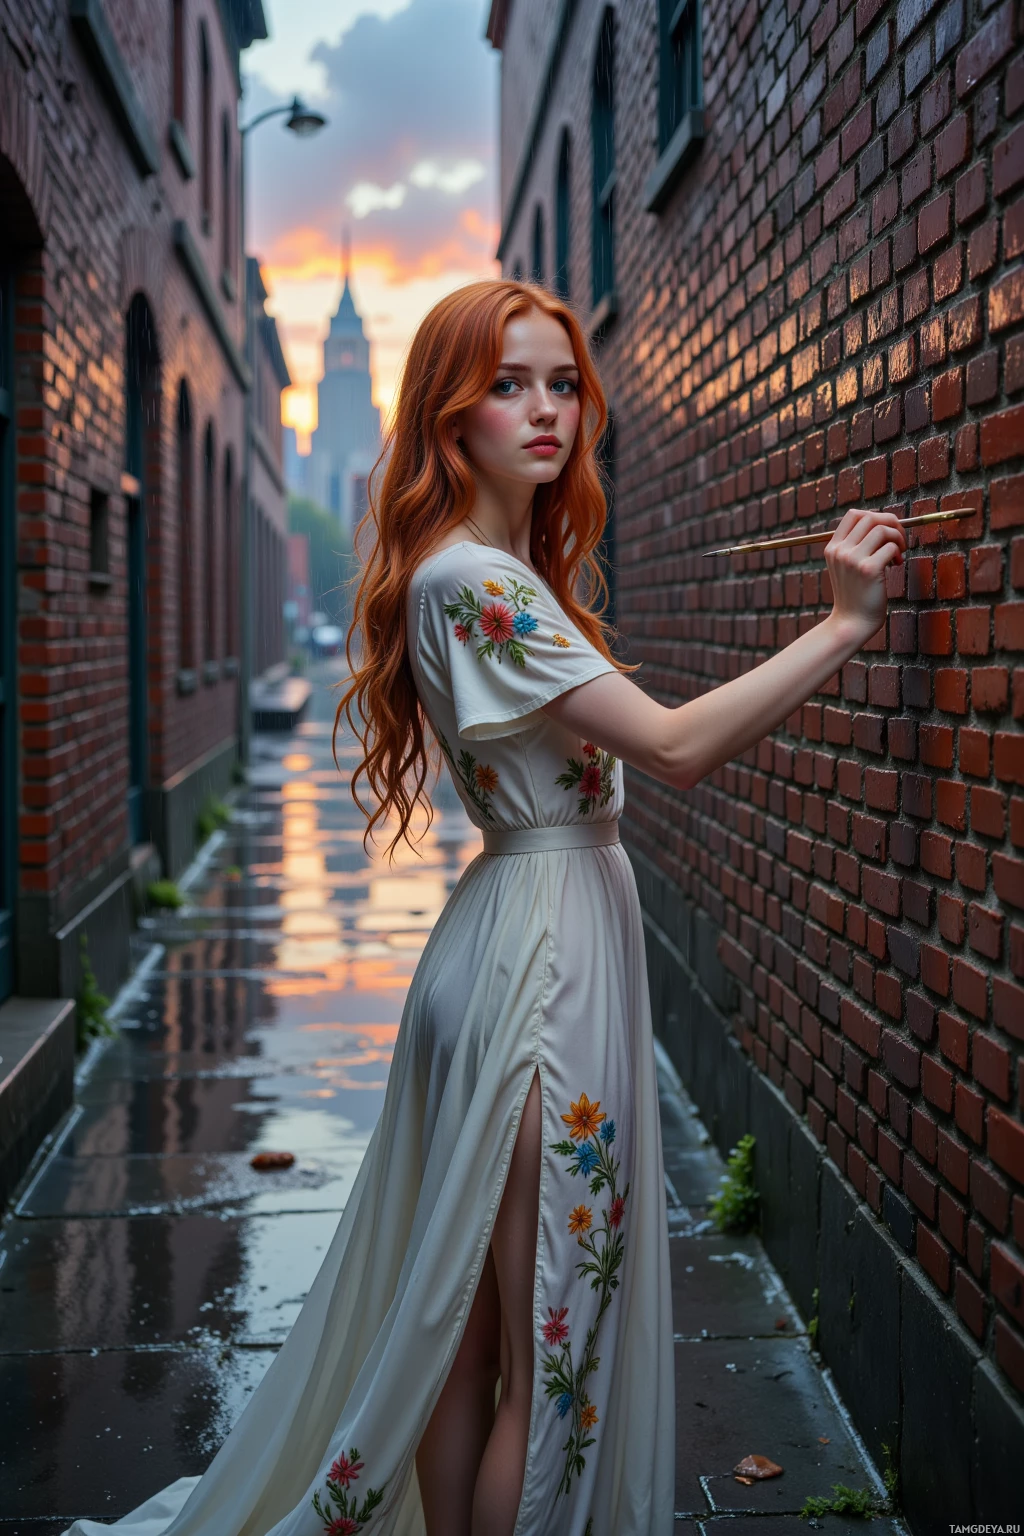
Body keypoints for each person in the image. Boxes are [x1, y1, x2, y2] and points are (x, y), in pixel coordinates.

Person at [63, 280, 905, 1536]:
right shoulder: (478, 582)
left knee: (471, 1333)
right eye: (507, 385)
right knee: (545, 1344)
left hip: (516, 930)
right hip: (542, 959)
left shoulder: (488, 572)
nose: (545, 408)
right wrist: (842, 625)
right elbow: (674, 748)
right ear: (449, 417)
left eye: (561, 382)